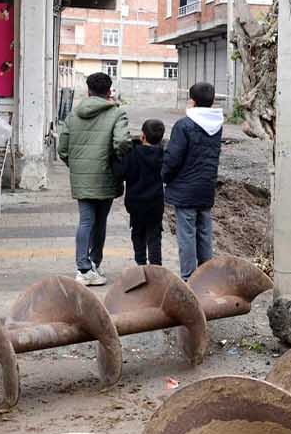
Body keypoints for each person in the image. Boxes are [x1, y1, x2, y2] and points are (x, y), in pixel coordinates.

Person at [58, 71, 130, 286]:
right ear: (109, 92)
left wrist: (77, 166)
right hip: (106, 175)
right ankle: (94, 264)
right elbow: (122, 142)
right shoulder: (117, 113)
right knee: (100, 222)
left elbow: (62, 149)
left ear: (88, 91)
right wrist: (117, 162)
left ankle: (83, 267)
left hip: (81, 176)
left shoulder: (73, 115)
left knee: (86, 220)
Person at [163, 82, 223, 281]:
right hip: (206, 186)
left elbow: (173, 158)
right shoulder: (217, 124)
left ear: (192, 100)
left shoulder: (184, 125)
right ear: (212, 100)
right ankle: (206, 275)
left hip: (185, 188)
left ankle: (189, 277)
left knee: (187, 235)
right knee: (205, 232)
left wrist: (164, 177)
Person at [114, 119, 166, 267]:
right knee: (155, 235)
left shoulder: (133, 153)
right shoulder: (163, 155)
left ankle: (141, 264)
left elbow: (120, 172)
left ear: (142, 136)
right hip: (155, 203)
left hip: (135, 202)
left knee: (137, 232)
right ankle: (156, 267)